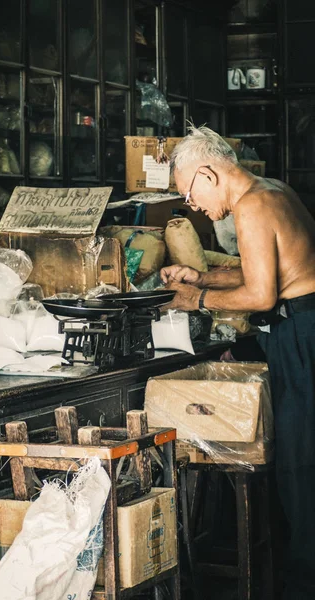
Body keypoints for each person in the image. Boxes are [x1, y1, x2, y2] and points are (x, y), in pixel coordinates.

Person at [160, 125, 315, 600]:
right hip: (301, 330)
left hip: (301, 337)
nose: (192, 205)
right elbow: (260, 269)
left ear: (208, 173)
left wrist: (197, 298)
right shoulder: (273, 191)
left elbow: (262, 293)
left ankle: (305, 583)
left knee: (301, 466)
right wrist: (201, 273)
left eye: (189, 191)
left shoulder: (249, 204)